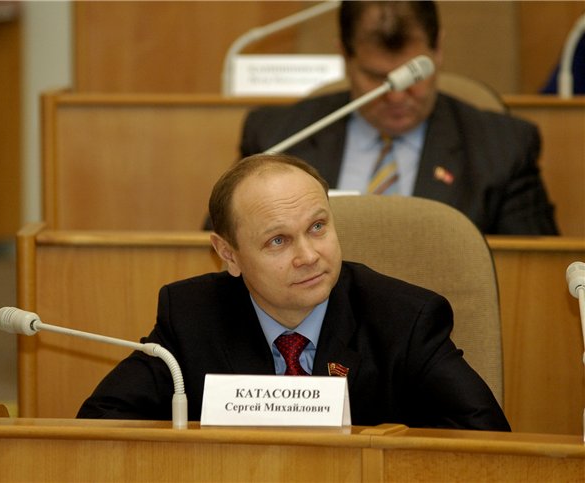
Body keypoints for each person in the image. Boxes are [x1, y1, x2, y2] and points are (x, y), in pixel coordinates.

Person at [78, 153, 510, 431]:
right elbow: (100, 425)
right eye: (278, 241)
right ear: (228, 254)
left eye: (317, 227)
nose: (308, 255)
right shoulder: (192, 316)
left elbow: (487, 439)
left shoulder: (403, 319)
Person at [239, 1, 559, 236]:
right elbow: (230, 247)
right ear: (345, 56)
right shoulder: (277, 137)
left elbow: (528, 270)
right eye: (376, 77)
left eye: (412, 74)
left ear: (438, 50)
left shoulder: (503, 149)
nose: (396, 96)